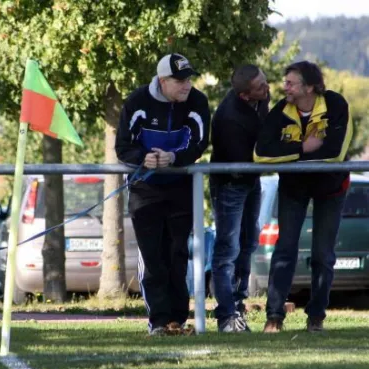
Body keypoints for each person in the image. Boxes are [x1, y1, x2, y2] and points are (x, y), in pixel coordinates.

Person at [115, 53, 210, 336]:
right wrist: (144, 158)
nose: (187, 86)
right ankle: (158, 320)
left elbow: (199, 142)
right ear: (162, 80)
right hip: (145, 190)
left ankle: (177, 320)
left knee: (178, 254)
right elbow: (123, 147)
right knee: (153, 257)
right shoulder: (136, 102)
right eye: (180, 81)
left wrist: (173, 158)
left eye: (189, 79)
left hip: (181, 188)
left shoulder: (197, 102)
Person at [254, 61, 352, 333]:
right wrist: (301, 148)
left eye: (291, 83)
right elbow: (261, 153)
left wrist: (286, 152)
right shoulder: (280, 111)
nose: (285, 87)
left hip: (331, 189)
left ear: (310, 87)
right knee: (284, 249)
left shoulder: (335, 104)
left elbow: (335, 152)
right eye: (285, 83)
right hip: (293, 189)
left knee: (323, 254)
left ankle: (316, 317)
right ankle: (274, 316)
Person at [209, 64, 270, 333]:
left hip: (250, 181)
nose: (266, 87)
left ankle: (238, 304)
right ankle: (226, 314)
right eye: (260, 87)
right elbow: (257, 150)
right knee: (227, 250)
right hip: (230, 184)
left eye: (264, 81)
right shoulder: (230, 117)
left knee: (248, 243)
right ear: (246, 95)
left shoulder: (259, 100)